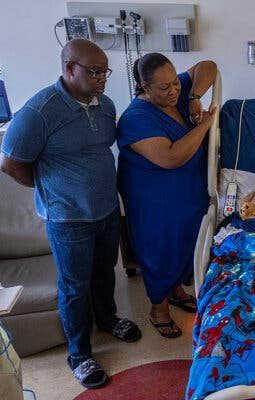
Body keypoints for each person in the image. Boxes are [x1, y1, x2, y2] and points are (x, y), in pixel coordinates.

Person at [0, 39, 141, 389]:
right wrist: (52, 188)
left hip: (107, 209)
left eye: (104, 71)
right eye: (94, 72)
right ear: (68, 68)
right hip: (68, 218)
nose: (102, 79)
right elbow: (10, 163)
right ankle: (79, 355)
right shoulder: (39, 111)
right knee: (74, 287)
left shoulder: (105, 105)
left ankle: (109, 320)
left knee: (105, 271)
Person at [116, 53, 217, 339]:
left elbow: (208, 66)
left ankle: (175, 291)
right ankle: (158, 310)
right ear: (144, 88)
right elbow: (171, 158)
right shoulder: (135, 118)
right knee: (160, 248)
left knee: (185, 241)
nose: (174, 91)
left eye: (175, 82)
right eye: (164, 88)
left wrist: (195, 95)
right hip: (153, 197)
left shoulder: (180, 93)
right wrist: (204, 125)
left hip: (186, 190)